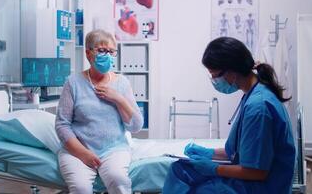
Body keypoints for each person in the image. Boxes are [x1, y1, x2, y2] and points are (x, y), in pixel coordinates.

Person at [163, 37, 296, 194]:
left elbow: (257, 172)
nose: (214, 80)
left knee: (193, 185)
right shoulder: (254, 95)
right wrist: (208, 153)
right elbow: (243, 151)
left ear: (232, 71)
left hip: (262, 187)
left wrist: (215, 169)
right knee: (180, 169)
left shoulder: (258, 107)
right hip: (252, 182)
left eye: (215, 75)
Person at [55, 29, 144, 194]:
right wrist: (83, 153)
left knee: (119, 180)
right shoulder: (73, 83)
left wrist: (118, 98)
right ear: (89, 54)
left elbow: (136, 126)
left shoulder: (122, 83)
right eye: (102, 50)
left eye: (111, 51)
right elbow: (62, 124)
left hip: (113, 149)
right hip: (77, 150)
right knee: (80, 188)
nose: (107, 55)